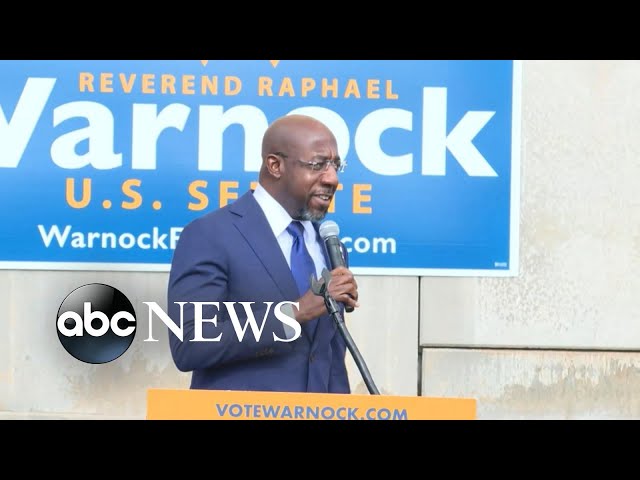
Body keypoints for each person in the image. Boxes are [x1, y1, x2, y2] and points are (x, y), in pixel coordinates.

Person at [167, 114, 359, 393]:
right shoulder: (210, 235)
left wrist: (344, 409)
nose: (333, 178)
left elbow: (329, 358)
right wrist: (294, 313)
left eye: (336, 166)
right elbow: (190, 343)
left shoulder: (330, 246)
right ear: (275, 165)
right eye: (318, 165)